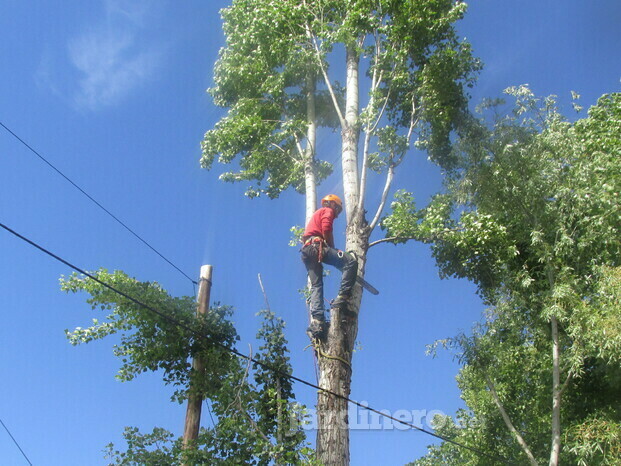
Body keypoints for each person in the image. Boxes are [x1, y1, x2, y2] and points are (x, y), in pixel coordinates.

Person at [301, 194, 358, 339]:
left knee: (316, 286)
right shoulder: (328, 210)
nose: (337, 214)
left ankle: (318, 320)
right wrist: (332, 248)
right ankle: (342, 298)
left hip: (307, 251)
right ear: (334, 205)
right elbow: (326, 228)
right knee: (350, 262)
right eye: (338, 210)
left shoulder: (316, 215)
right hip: (316, 246)